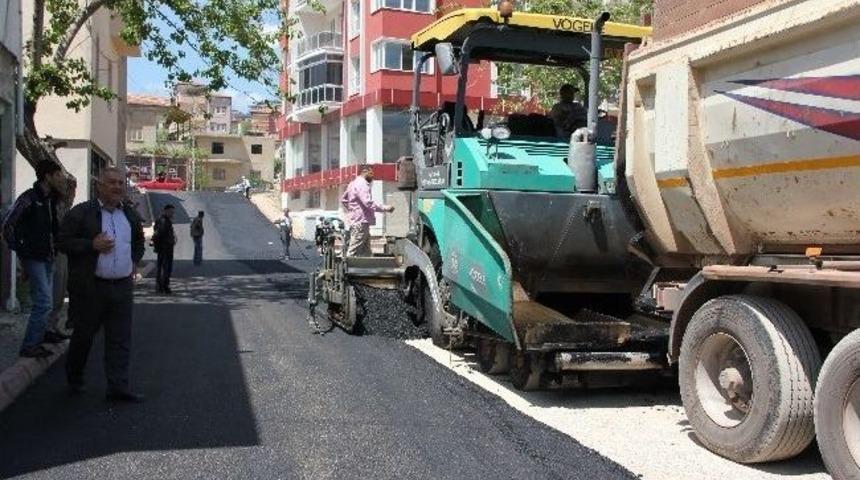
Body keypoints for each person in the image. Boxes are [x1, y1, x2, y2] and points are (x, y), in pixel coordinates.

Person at [59, 167, 145, 401]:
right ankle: (74, 378)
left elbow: (138, 242)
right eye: (111, 182)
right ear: (99, 186)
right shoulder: (82, 213)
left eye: (120, 183)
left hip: (122, 287)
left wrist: (133, 261)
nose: (117, 187)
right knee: (84, 336)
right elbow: (62, 241)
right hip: (91, 288)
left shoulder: (129, 214)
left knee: (120, 338)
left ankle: (118, 387)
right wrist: (91, 245)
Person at [2, 161, 66, 358]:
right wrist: (21, 250)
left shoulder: (51, 199)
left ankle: (43, 335)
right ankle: (29, 345)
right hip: (34, 257)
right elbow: (8, 224)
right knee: (43, 302)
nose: (61, 179)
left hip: (48, 256)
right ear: (47, 176)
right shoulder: (29, 198)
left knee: (48, 300)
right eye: (58, 175)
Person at [340, 166, 394, 257]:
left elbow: (344, 200)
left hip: (357, 221)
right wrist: (385, 208)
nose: (373, 177)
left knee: (366, 251)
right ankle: (346, 264)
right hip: (361, 221)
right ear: (365, 172)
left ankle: (367, 264)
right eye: (371, 174)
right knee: (354, 250)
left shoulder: (352, 183)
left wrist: (353, 210)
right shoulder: (362, 184)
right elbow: (367, 202)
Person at [46, 176, 77, 334]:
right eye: (70, 189)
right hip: (55, 252)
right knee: (55, 291)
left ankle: (53, 326)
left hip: (64, 253)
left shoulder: (66, 208)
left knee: (61, 291)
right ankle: (47, 328)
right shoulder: (52, 205)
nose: (72, 194)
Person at [153, 204, 177, 294]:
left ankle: (160, 286)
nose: (172, 214)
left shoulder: (164, 220)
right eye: (171, 212)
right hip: (165, 248)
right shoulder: (163, 221)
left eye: (173, 212)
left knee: (162, 267)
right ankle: (164, 286)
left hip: (165, 247)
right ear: (165, 211)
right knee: (166, 268)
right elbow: (159, 234)